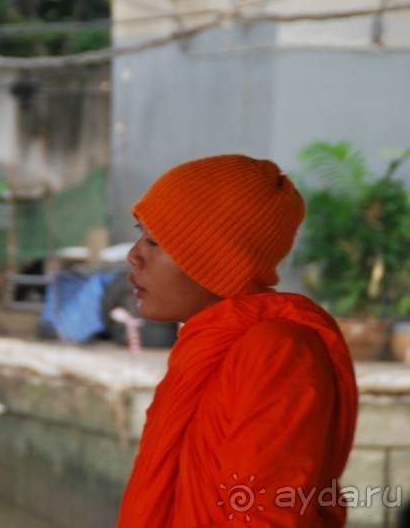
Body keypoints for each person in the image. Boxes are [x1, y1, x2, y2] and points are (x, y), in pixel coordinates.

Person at [117, 155, 358, 526]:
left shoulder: (279, 351)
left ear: (215, 260)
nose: (134, 255)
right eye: (139, 233)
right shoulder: (206, 346)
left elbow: (266, 515)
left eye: (155, 240)